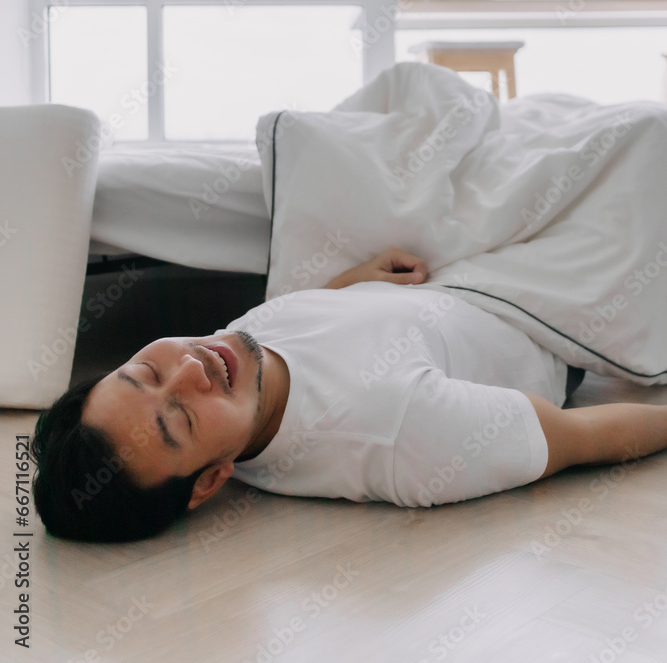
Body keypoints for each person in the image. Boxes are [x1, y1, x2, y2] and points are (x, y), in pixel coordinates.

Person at [30, 248, 667, 543]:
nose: (190, 370)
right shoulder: (398, 434)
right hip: (533, 308)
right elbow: (579, 437)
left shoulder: (236, 355)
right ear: (209, 482)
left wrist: (353, 283)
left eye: (145, 371)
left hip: (452, 270)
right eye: (180, 420)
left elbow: (313, 331)